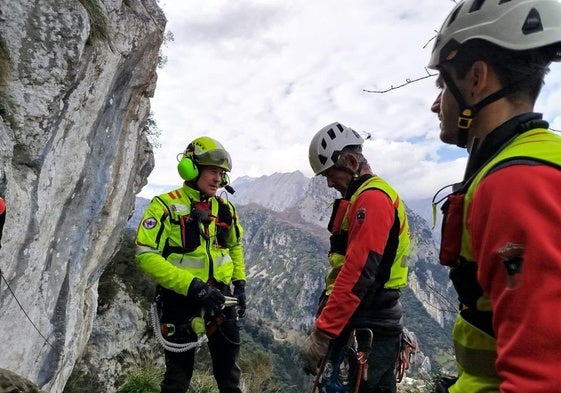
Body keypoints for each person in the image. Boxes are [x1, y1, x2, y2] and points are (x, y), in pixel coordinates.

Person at [428, 1, 561, 392]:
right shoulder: (535, 159)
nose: (436, 104)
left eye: (442, 86)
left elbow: (541, 378)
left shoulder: (515, 182)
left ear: (476, 79)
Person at [301, 122, 411, 393]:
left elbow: (359, 271)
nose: (328, 183)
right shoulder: (364, 196)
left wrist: (324, 332)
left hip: (369, 325)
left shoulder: (372, 199)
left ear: (350, 161)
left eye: (330, 173)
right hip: (372, 322)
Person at [135, 136, 246, 393]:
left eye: (221, 173)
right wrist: (192, 285)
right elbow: (145, 254)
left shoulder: (225, 209)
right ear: (191, 168)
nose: (217, 179)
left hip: (220, 298)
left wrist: (240, 283)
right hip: (180, 300)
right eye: (211, 171)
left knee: (230, 376)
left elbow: (234, 246)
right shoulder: (164, 206)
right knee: (177, 379)